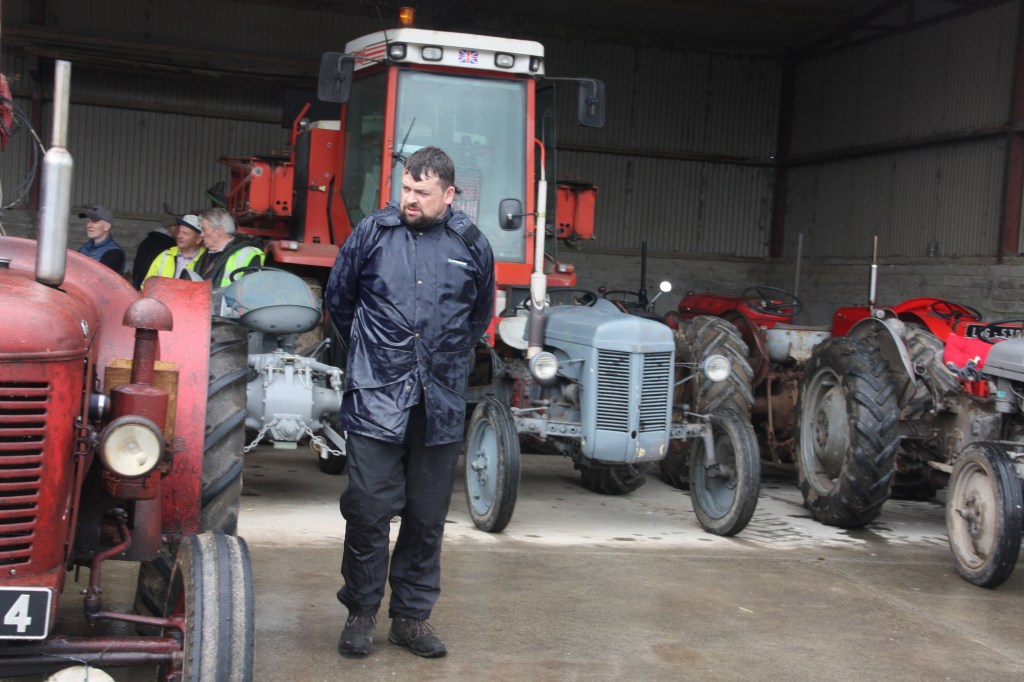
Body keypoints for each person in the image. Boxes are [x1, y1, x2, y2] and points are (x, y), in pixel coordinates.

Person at [325, 146, 494, 660]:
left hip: (439, 400)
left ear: (449, 194)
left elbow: (478, 317)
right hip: (377, 395)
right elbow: (339, 301)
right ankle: (361, 612)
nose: (410, 199)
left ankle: (411, 618)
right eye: (405, 188)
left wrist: (441, 359)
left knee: (426, 515)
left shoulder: (472, 245)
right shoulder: (372, 234)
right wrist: (374, 356)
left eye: (422, 192)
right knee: (368, 509)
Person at [193, 207, 265, 287]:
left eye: (204, 229)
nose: (201, 234)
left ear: (218, 231)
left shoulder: (246, 254)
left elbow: (251, 289)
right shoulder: (204, 254)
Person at [141, 214, 207, 286]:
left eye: (185, 233)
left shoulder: (206, 259)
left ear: (198, 239)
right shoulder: (165, 255)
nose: (179, 236)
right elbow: (147, 285)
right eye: (179, 232)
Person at [78, 204, 126, 275]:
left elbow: (97, 278)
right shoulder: (84, 248)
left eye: (94, 222)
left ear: (107, 226)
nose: (88, 225)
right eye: (88, 221)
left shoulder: (114, 253)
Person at [132, 222, 178, 289]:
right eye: (179, 229)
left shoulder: (146, 240)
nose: (180, 235)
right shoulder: (169, 245)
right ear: (172, 228)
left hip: (139, 282)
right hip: (152, 287)